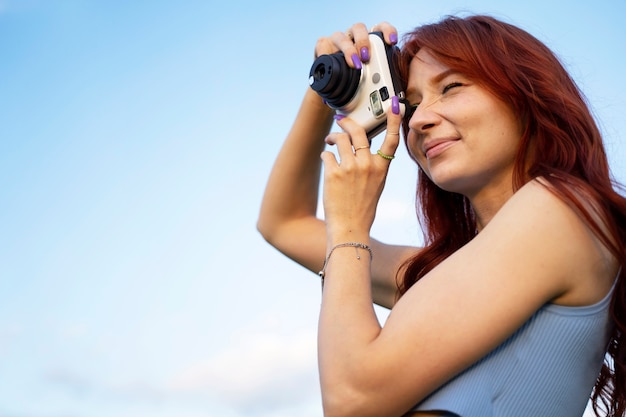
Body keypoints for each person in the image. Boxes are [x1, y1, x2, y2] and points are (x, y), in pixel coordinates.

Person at [257, 14, 626, 417]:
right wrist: (328, 85)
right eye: (411, 104)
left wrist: (349, 226)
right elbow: (283, 223)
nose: (418, 119)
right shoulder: (451, 274)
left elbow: (351, 401)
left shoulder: (560, 211)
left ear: (525, 94)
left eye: (450, 87)